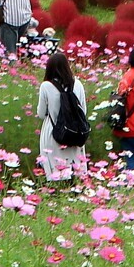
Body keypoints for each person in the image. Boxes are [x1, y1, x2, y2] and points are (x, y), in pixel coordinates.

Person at [36, 52, 88, 180]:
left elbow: (41, 114)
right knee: (74, 168)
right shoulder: (78, 84)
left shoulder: (46, 86)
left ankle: (56, 192)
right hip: (75, 132)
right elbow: (83, 111)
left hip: (54, 133)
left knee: (55, 170)